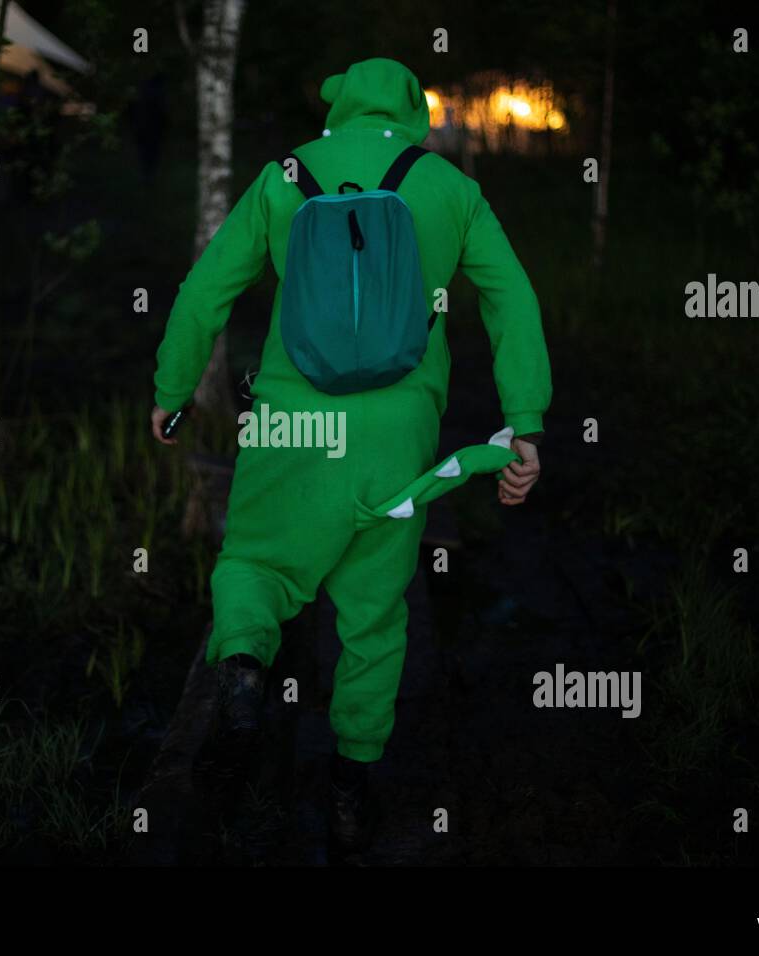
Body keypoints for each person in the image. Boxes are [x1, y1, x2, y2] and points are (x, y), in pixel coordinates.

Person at [150, 57, 551, 852]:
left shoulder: (286, 174)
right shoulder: (448, 187)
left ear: (337, 107)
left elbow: (206, 289)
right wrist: (525, 423)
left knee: (255, 566)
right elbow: (512, 297)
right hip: (396, 441)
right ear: (414, 114)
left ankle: (241, 668)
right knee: (373, 618)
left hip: (290, 428)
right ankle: (351, 783)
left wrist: (170, 387)